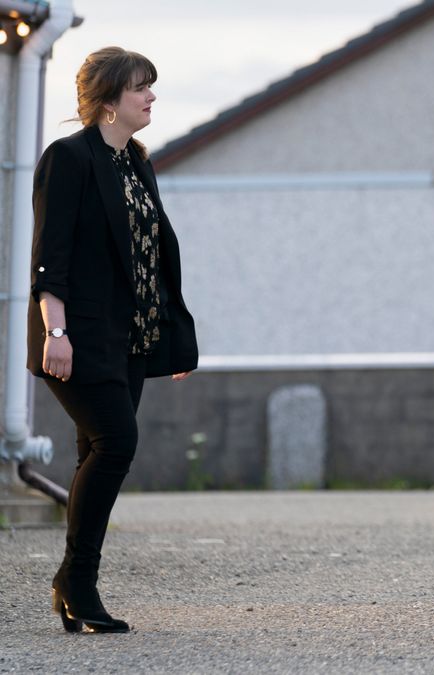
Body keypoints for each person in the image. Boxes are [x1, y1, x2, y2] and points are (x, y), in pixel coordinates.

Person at [29, 46, 199, 633]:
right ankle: (77, 582)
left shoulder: (135, 163)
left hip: (128, 339)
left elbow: (151, 257)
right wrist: (57, 329)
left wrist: (170, 336)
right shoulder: (68, 158)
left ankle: (72, 586)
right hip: (77, 338)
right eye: (140, 88)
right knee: (116, 443)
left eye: (151, 87)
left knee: (92, 453)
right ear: (107, 101)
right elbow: (50, 257)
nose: (151, 96)